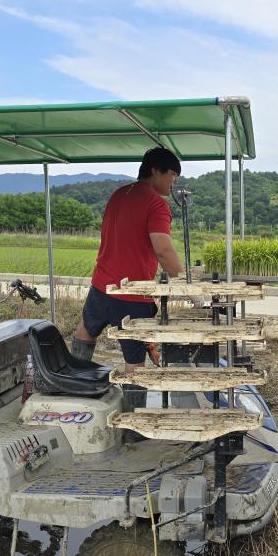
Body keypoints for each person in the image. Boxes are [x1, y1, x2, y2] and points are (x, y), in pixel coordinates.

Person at [71, 147, 184, 394]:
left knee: (86, 331)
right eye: (172, 175)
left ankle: (75, 386)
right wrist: (186, 284)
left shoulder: (119, 194)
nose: (174, 181)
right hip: (132, 293)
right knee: (134, 361)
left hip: (101, 285)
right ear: (156, 171)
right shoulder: (156, 204)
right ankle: (133, 423)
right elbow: (163, 249)